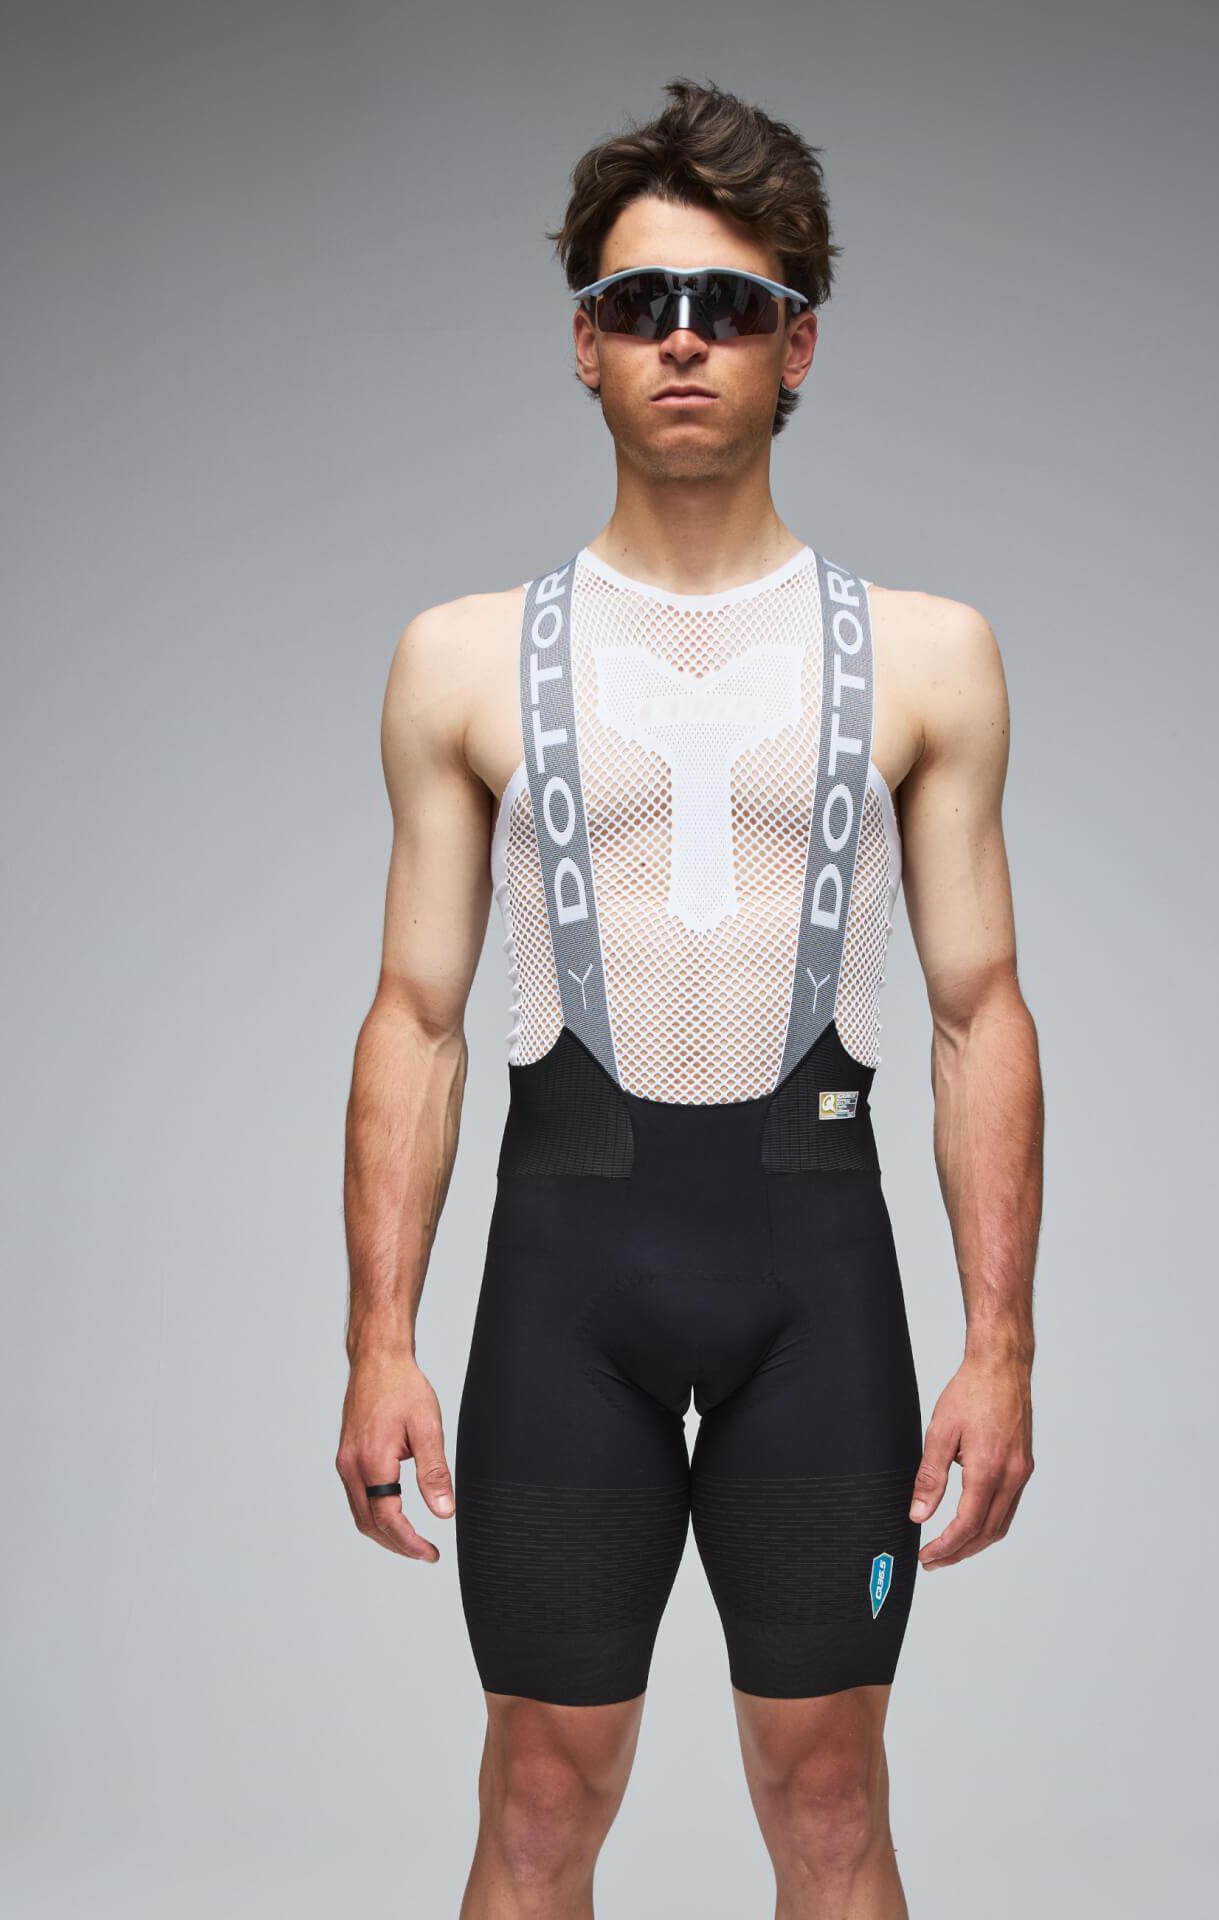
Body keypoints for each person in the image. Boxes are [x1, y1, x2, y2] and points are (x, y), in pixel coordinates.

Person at [337, 76, 1043, 1919]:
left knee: (829, 1802)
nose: (681, 338)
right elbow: (417, 1016)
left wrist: (1003, 1348)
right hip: (567, 1281)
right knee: (537, 1806)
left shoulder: (932, 658)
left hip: (819, 1285)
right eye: (639, 301)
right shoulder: (460, 660)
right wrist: (376, 1340)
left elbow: (979, 1011)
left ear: (796, 345)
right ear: (582, 342)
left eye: (727, 304)